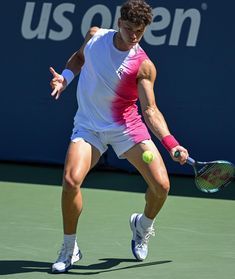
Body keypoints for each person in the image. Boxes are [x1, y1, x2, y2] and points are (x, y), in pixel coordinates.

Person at [49, 0, 188, 274]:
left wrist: (172, 143)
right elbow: (78, 58)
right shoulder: (95, 36)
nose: (134, 36)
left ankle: (142, 225)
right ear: (119, 23)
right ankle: (69, 248)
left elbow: (149, 110)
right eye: (129, 29)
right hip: (89, 126)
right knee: (70, 180)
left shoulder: (143, 65)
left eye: (140, 31)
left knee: (162, 187)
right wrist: (65, 78)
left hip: (126, 127)